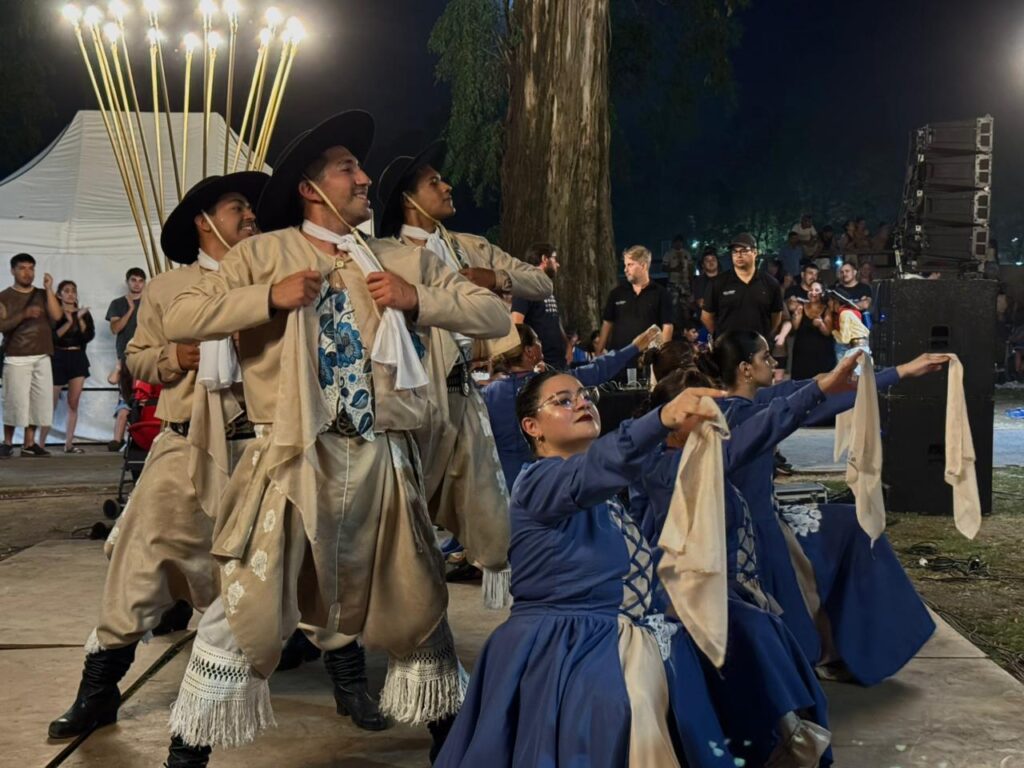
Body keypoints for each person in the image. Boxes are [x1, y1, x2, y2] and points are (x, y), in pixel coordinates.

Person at [158, 112, 510, 766]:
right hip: (288, 460)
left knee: (419, 607)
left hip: (383, 458)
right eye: (349, 169)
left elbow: (492, 312)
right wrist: (268, 297)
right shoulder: (263, 255)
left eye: (361, 169)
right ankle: (188, 755)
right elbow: (181, 316)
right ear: (310, 188)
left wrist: (417, 298)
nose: (366, 179)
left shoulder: (399, 255)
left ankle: (456, 750)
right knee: (244, 608)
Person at [47, 171, 270, 743]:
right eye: (237, 207)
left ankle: (335, 674)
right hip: (184, 440)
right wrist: (175, 355)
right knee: (139, 561)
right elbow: (138, 360)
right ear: (203, 221)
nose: (250, 216)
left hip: (259, 446)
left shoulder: (273, 279)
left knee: (266, 564)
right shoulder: (170, 288)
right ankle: (98, 692)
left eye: (251, 208)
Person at [436, 370, 736, 767]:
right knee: (629, 705)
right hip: (561, 647)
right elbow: (599, 467)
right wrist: (661, 419)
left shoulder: (601, 489)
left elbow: (612, 470)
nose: (581, 403)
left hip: (603, 634)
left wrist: (816, 390)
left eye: (584, 395)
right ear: (532, 427)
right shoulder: (539, 484)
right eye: (562, 400)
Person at [701, 330, 946, 684]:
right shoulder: (739, 417)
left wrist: (905, 370)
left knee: (855, 524)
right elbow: (815, 398)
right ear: (745, 369)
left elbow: (823, 390)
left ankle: (859, 641)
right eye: (765, 357)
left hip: (769, 520)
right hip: (752, 537)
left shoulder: (757, 401)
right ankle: (856, 643)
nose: (773, 363)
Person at [632, 367, 836, 767]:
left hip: (732, 588)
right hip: (687, 595)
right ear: (675, 421)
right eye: (704, 412)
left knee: (767, 636)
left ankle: (783, 735)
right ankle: (780, 740)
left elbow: (768, 412)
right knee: (757, 638)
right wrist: (817, 390)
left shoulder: (698, 456)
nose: (717, 420)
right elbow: (754, 434)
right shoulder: (665, 468)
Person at [376, 140, 548, 587]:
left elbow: (542, 281)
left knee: (486, 506)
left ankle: (495, 577)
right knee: (407, 510)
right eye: (434, 182)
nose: (447, 186)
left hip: (470, 393)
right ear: (408, 200)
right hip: (416, 399)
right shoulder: (383, 257)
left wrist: (496, 278)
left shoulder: (471, 248)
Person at [482, 323, 659, 491]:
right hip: (552, 480)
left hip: (502, 484)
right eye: (537, 340)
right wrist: (634, 347)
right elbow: (598, 370)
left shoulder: (488, 393)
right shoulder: (551, 385)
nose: (581, 403)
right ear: (529, 352)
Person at [0, 253, 62, 458]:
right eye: (22, 268)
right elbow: (2, 326)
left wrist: (50, 288)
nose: (27, 273)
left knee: (39, 401)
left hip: (42, 354)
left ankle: (29, 443)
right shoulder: (4, 297)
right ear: (12, 271)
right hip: (16, 355)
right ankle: (7, 442)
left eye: (31, 268)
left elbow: (57, 316)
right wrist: (23, 315)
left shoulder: (43, 294)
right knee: (14, 400)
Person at [701, 232, 782, 342]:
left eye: (744, 251)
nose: (738, 255)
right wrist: (720, 337)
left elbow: (776, 316)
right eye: (735, 251)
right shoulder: (718, 283)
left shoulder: (771, 283)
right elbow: (706, 317)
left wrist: (764, 338)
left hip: (758, 350)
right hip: (727, 350)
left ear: (755, 252)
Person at [594, 245, 674, 356]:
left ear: (644, 266)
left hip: (648, 359)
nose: (625, 269)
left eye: (630, 265)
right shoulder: (616, 294)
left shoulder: (661, 294)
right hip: (619, 360)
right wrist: (598, 353)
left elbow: (667, 326)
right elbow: (607, 323)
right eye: (625, 265)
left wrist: (662, 356)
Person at [51, 280, 95, 452]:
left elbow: (88, 336)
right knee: (50, 403)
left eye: (73, 291)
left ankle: (69, 443)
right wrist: (72, 319)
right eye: (66, 291)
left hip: (77, 356)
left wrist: (79, 317)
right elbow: (54, 337)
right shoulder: (55, 312)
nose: (70, 294)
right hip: (58, 356)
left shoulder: (83, 313)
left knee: (73, 402)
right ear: (59, 294)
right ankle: (37, 443)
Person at [105, 267, 146, 451]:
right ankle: (117, 439)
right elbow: (115, 329)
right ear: (127, 282)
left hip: (146, 356)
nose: (137, 284)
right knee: (125, 396)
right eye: (133, 280)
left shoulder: (149, 303)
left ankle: (142, 436)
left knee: (143, 396)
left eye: (140, 280)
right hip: (125, 357)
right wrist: (130, 310)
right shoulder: (118, 303)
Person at [510, 242, 567, 370]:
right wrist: (530, 362)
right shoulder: (527, 288)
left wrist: (567, 345)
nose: (557, 264)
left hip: (558, 362)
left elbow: (553, 319)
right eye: (554, 259)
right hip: (542, 365)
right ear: (544, 259)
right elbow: (516, 327)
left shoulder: (546, 289)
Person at [788, 282, 835, 379]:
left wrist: (821, 324)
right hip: (802, 355)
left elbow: (828, 332)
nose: (813, 292)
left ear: (822, 293)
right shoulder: (801, 307)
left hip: (822, 356)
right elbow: (795, 327)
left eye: (816, 290)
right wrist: (795, 316)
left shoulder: (827, 309)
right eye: (810, 290)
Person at [830, 261, 873, 362]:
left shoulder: (864, 288)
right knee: (841, 372)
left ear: (854, 272)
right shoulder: (837, 290)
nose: (844, 274)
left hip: (859, 337)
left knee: (861, 371)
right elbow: (835, 309)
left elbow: (865, 305)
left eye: (847, 271)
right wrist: (857, 303)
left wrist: (844, 305)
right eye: (842, 272)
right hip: (841, 337)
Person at [662, 234, 693, 325]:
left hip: (685, 282)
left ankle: (688, 324)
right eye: (676, 242)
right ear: (673, 243)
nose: (678, 244)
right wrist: (674, 269)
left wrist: (691, 279)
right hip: (673, 282)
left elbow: (691, 267)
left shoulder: (687, 253)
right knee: (673, 305)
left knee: (687, 304)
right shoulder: (668, 254)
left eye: (680, 242)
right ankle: (675, 325)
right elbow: (663, 268)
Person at [691, 246, 720, 313]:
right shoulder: (699, 282)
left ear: (717, 262)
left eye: (713, 259)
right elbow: (701, 303)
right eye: (707, 260)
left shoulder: (726, 279)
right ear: (703, 265)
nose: (711, 262)